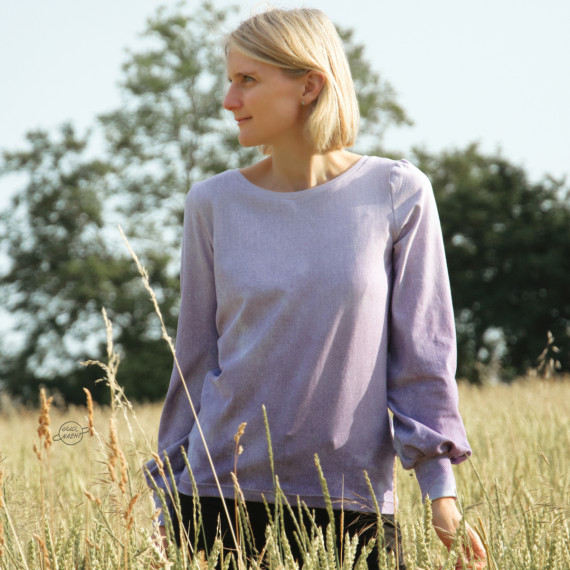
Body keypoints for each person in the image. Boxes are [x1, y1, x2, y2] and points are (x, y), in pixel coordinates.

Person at [145, 7, 487, 569]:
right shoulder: (212, 204)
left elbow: (423, 356)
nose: (229, 100)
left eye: (247, 80)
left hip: (353, 504)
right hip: (218, 501)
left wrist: (441, 494)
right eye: (230, 80)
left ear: (309, 85)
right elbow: (195, 361)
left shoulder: (398, 192)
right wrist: (165, 498)